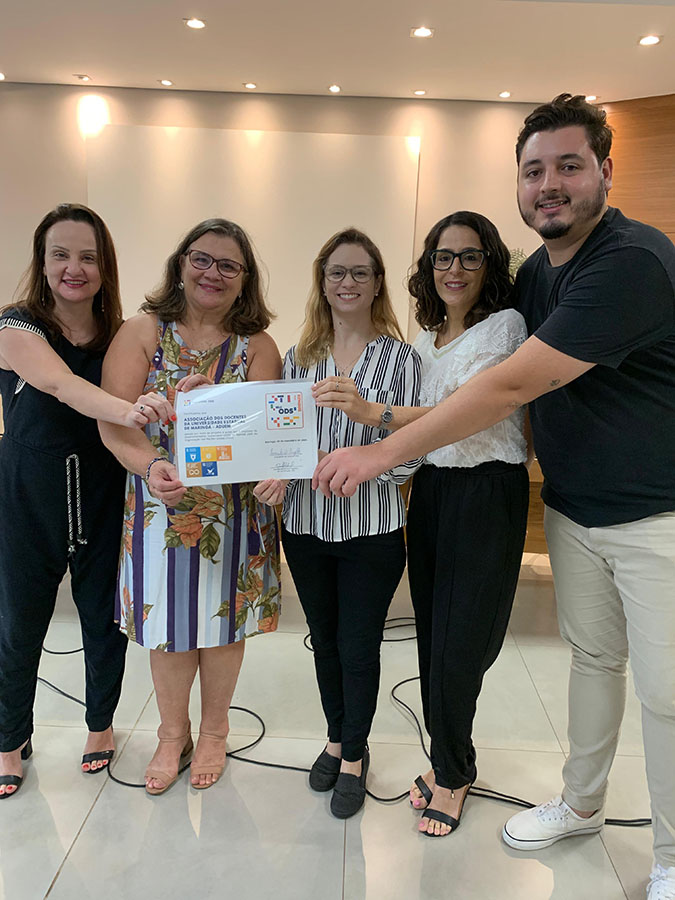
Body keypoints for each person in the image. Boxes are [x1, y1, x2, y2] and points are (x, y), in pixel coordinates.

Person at [314, 95, 675, 898]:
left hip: (654, 512)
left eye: (568, 166)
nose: (549, 184)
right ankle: (580, 805)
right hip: (573, 506)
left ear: (604, 171)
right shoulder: (542, 274)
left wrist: (379, 445)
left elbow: (506, 390)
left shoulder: (630, 261)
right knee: (592, 663)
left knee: (665, 691)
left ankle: (670, 857)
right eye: (533, 170)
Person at [313, 213, 529, 835]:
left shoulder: (505, 327)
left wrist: (375, 415)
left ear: (490, 264)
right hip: (434, 490)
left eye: (469, 256)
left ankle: (456, 774)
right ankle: (444, 762)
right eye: (442, 257)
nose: (454, 269)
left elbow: (468, 411)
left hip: (486, 490)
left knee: (462, 647)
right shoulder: (428, 340)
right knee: (433, 639)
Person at [99, 218, 282, 795]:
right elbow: (114, 424)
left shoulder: (258, 346)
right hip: (161, 506)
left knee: (224, 623)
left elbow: (268, 433)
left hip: (236, 511)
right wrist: (152, 465)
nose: (213, 273)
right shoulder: (141, 332)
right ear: (181, 263)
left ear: (244, 279)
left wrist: (224, 409)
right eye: (202, 259)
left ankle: (215, 733)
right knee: (169, 625)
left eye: (229, 265)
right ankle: (171, 734)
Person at [0, 203, 173, 800]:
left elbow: (156, 390)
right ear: (42, 262)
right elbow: (59, 384)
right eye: (61, 255)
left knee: (104, 620)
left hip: (103, 495)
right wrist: (130, 409)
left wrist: (182, 396)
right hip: (27, 499)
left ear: (105, 267)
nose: (74, 268)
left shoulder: (118, 334)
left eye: (88, 257)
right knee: (19, 623)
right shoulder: (15, 325)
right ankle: (9, 739)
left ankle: (100, 725)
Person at [255, 227, 421, 818]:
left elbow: (414, 456)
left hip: (372, 531)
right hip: (304, 529)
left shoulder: (402, 359)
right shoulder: (298, 359)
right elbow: (282, 440)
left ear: (377, 284)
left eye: (359, 272)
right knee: (323, 641)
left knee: (357, 645)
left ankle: (354, 756)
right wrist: (279, 474)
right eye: (336, 273)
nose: (347, 282)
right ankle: (334, 738)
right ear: (322, 284)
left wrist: (367, 417)